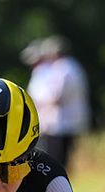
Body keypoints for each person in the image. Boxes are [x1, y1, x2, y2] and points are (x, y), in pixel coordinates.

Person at [23, 35, 90, 169]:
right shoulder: (73, 66)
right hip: (69, 120)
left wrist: (39, 104)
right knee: (64, 156)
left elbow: (56, 96)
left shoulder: (62, 69)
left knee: (56, 159)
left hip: (60, 123)